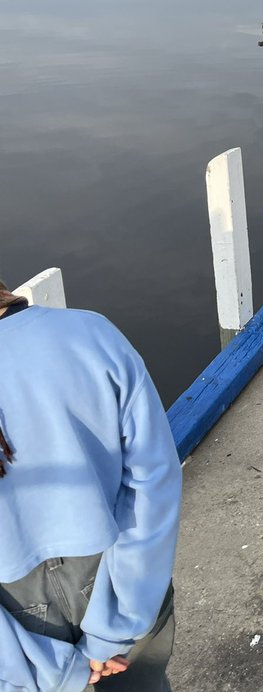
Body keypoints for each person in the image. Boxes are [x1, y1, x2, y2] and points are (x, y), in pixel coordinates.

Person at [0, 279, 182, 691]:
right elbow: (152, 480)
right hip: (117, 569)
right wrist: (117, 624)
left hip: (14, 612)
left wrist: (48, 670)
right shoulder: (90, 332)